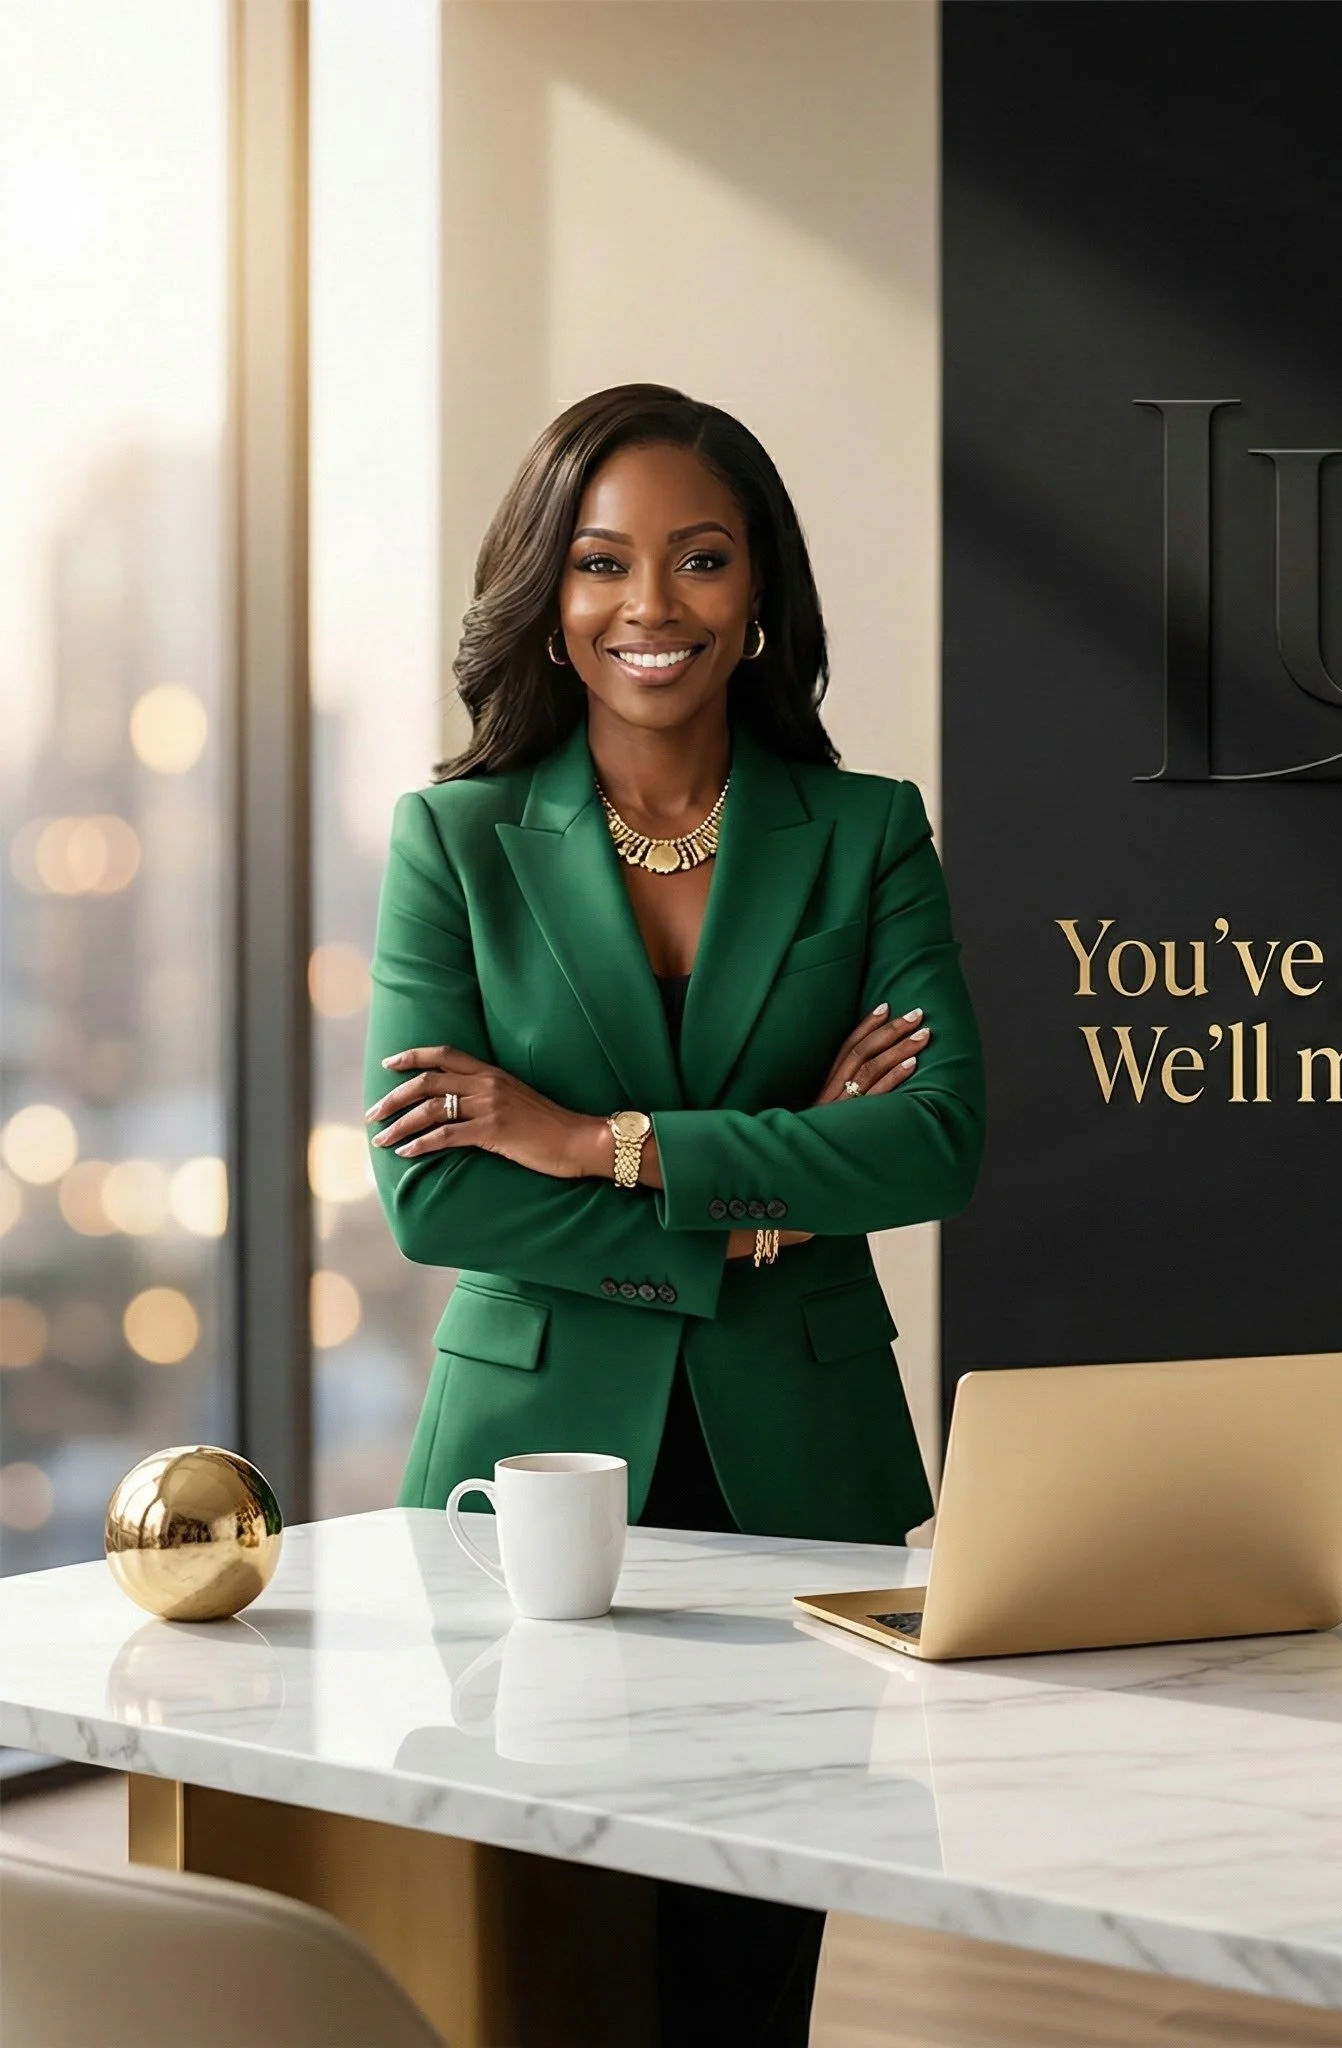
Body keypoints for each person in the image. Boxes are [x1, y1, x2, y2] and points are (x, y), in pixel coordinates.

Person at [362, 382, 985, 2045]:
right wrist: (775, 1192)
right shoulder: (459, 841)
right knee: (542, 1955)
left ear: (759, 589)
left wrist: (588, 1142)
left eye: (700, 560)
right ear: (546, 599)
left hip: (803, 1464)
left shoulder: (865, 835)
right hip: (532, 1468)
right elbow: (428, 1196)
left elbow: (934, 1146)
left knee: (749, 1959)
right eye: (601, 562)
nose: (651, 607)